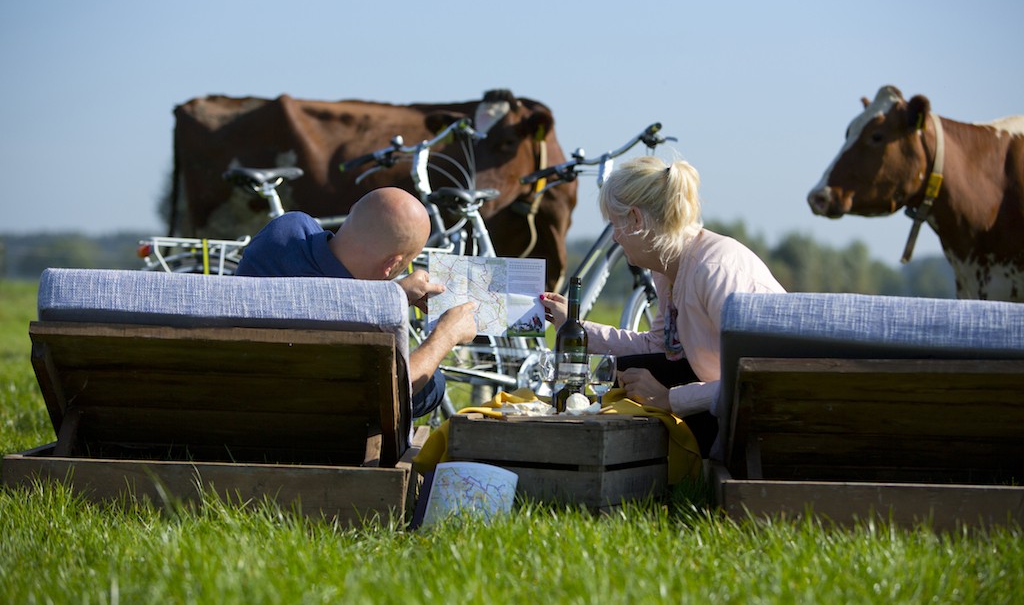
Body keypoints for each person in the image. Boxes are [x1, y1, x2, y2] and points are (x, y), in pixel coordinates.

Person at [539, 156, 785, 457]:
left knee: (634, 378)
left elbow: (761, 380)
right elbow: (657, 345)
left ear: (636, 219)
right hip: (734, 399)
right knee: (628, 369)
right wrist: (576, 328)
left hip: (772, 419)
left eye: (616, 225)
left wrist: (670, 398)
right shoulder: (668, 268)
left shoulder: (715, 269)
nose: (616, 237)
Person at [236, 187, 478, 418]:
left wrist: (391, 295)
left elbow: (310, 294)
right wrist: (446, 334)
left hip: (240, 402)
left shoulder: (286, 230)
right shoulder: (358, 332)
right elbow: (389, 391)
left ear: (353, 211)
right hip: (308, 422)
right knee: (432, 385)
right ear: (391, 265)